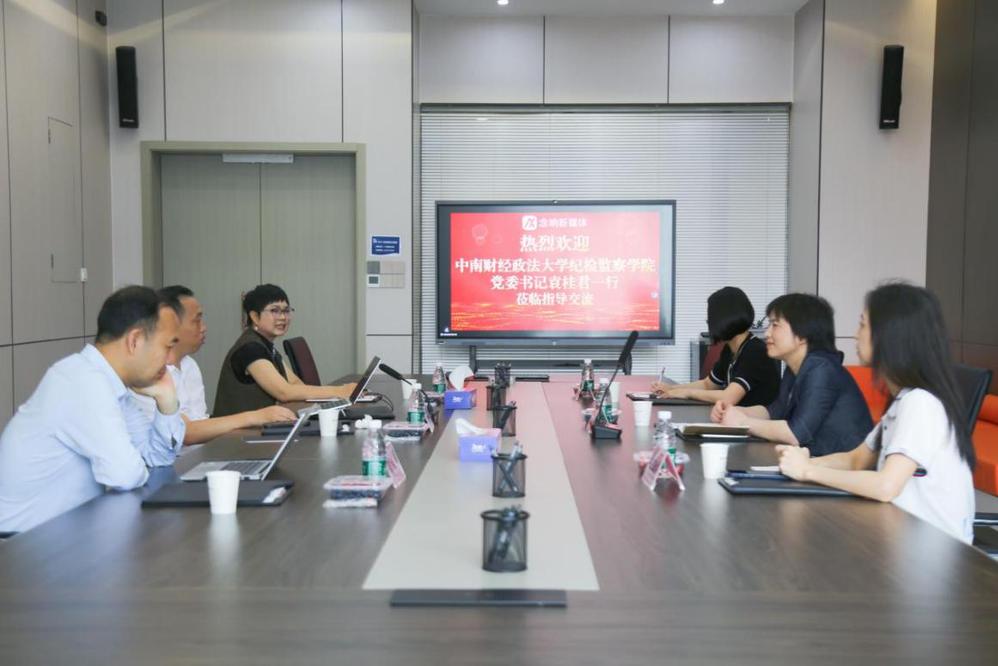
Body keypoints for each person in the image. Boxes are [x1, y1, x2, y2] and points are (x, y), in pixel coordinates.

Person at [777, 284, 975, 543]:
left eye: (862, 325)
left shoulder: (921, 403)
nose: (855, 335)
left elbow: (885, 486)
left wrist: (807, 471)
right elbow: (855, 460)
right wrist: (803, 461)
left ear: (889, 336)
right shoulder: (903, 400)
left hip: (936, 552)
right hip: (901, 537)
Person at [0, 286, 186, 533]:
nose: (171, 359)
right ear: (134, 341)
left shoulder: (110, 384)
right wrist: (137, 464)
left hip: (59, 537)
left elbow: (157, 459)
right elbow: (125, 475)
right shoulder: (82, 381)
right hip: (19, 545)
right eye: (167, 347)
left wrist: (167, 401)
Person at [712, 293, 872, 455]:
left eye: (775, 325)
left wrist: (743, 422)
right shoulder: (795, 367)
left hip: (844, 466)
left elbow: (796, 433)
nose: (767, 333)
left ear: (802, 334)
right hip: (816, 461)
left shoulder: (822, 369)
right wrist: (734, 411)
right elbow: (774, 411)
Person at [133, 286, 297, 444]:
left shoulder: (189, 365)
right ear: (170, 324)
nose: (204, 328)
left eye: (286, 311)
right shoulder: (148, 374)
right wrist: (256, 417)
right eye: (197, 320)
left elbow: (200, 422)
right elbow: (185, 433)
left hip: (202, 452)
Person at [213, 284, 355, 417]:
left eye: (286, 311)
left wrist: (334, 395)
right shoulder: (250, 349)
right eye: (274, 311)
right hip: (238, 433)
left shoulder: (265, 345)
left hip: (260, 426)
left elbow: (295, 383)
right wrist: (340, 391)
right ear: (255, 316)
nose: (282, 317)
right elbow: (284, 392)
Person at [652, 286, 780, 406]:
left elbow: (728, 397)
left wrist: (686, 393)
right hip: (738, 417)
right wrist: (672, 389)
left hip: (757, 420)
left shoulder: (755, 351)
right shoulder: (730, 349)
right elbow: (708, 385)